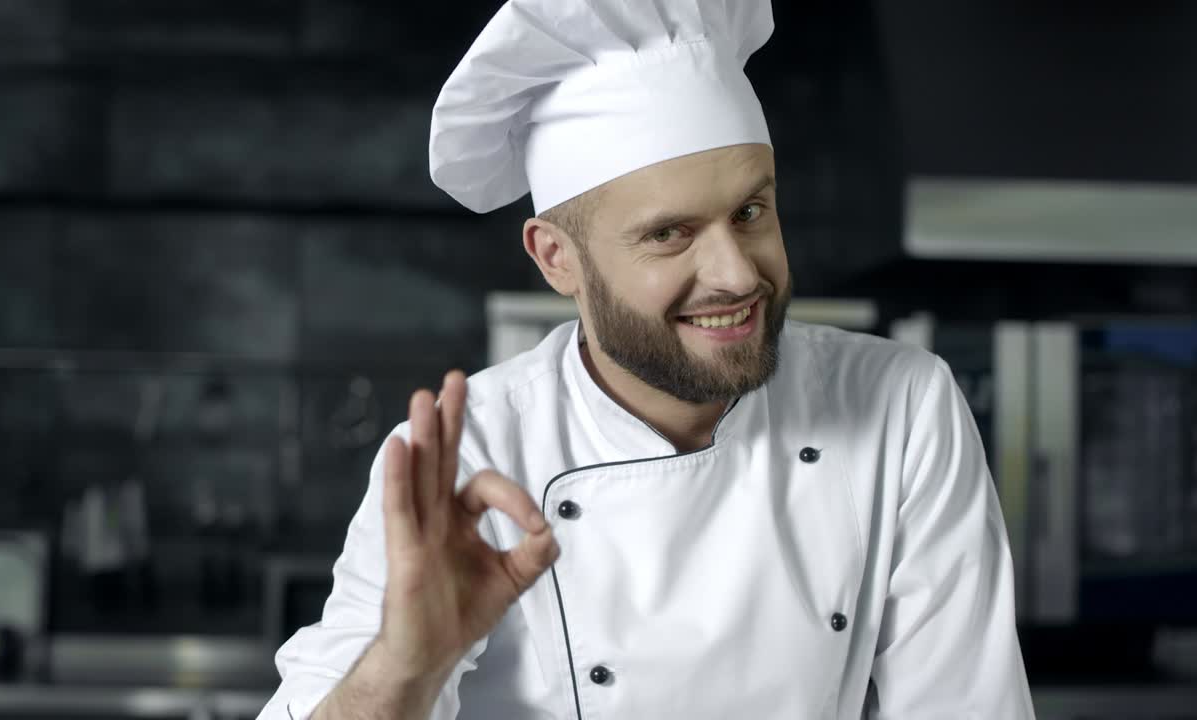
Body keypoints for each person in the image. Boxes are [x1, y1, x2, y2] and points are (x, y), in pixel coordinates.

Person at [258, 0, 1035, 718]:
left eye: (751, 211)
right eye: (671, 233)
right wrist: (404, 666)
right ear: (557, 259)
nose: (737, 273)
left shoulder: (901, 406)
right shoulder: (471, 458)